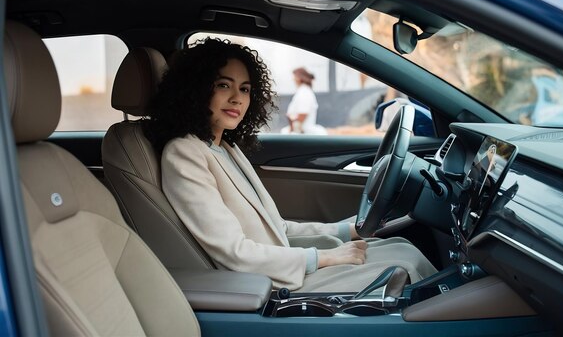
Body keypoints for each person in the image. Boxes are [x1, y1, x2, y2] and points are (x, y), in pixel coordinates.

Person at [145, 38, 436, 292]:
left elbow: (276, 228)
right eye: (223, 85)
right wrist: (322, 258)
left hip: (278, 263)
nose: (237, 98)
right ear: (195, 90)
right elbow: (233, 252)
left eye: (245, 89)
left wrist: (345, 231)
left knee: (402, 248)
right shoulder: (184, 153)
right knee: (404, 264)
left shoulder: (224, 148)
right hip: (262, 284)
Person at [284, 67, 327, 135]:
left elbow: (303, 113)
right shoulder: (302, 91)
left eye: (294, 76)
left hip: (303, 133)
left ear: (299, 77)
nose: (293, 79)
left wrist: (293, 130)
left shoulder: (304, 92)